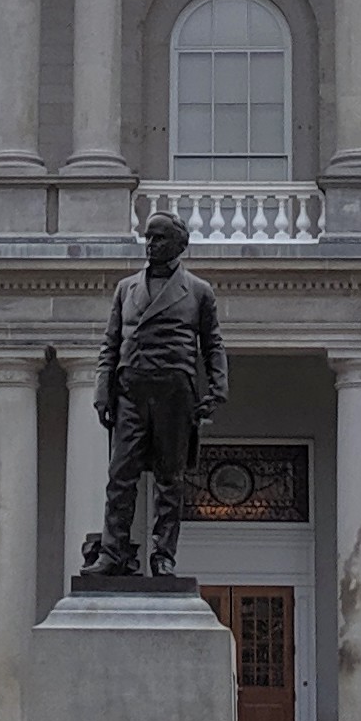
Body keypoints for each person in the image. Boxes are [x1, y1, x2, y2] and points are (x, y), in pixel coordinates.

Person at [83, 213, 228, 576]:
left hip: (174, 392)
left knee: (170, 479)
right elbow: (110, 344)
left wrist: (217, 388)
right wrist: (103, 391)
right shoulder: (126, 288)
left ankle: (163, 555)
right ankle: (113, 552)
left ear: (180, 245)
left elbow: (212, 344)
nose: (151, 245)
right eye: (148, 238)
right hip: (130, 389)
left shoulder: (198, 291)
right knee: (120, 476)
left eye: (160, 239)